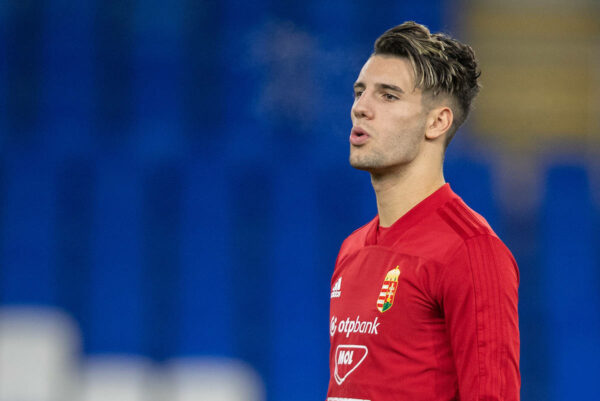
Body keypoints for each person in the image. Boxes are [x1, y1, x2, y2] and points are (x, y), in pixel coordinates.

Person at [326, 21, 520, 401]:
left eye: (389, 96)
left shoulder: (469, 250)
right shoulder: (351, 249)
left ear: (437, 121)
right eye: (360, 92)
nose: (361, 108)